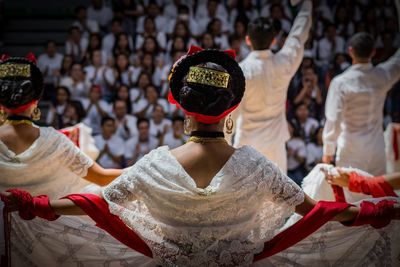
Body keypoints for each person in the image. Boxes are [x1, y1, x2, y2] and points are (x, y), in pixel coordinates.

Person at [3, 48, 400, 266]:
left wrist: (35, 205)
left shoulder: (155, 164)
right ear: (230, 112)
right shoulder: (257, 166)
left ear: (184, 110)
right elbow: (318, 212)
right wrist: (375, 212)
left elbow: (94, 204)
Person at [0, 55, 141, 265]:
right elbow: (102, 178)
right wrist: (143, 169)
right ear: (36, 100)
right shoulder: (53, 140)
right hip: (47, 239)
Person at [228, 0, 312, 173]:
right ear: (274, 41)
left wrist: (225, 146)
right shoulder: (284, 63)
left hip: (246, 144)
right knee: (277, 198)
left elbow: (231, 113)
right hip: (275, 145)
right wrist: (306, 6)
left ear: (248, 40)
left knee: (245, 198)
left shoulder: (240, 71)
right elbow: (298, 36)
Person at [322, 32, 400, 175]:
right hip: (377, 147)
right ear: (374, 52)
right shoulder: (382, 75)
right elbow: (397, 61)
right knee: (377, 194)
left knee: (352, 196)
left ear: (350, 51)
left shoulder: (341, 82)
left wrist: (328, 151)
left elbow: (334, 119)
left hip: (351, 149)